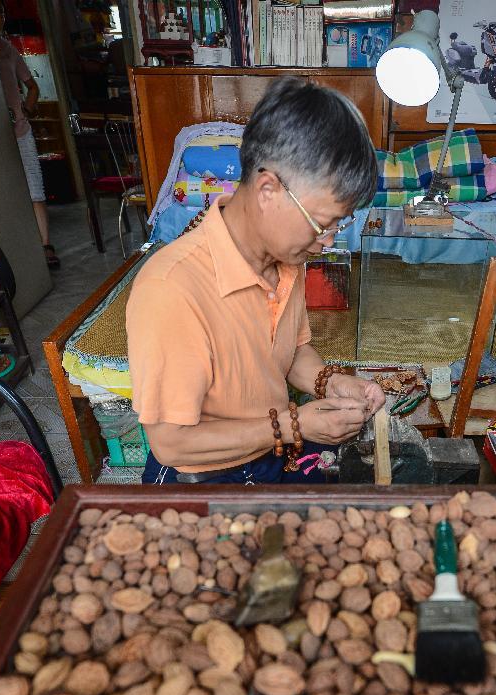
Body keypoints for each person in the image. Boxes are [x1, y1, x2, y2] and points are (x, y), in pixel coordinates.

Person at [127, 76, 385, 486]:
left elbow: (291, 351)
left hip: (271, 449)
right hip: (204, 475)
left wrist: (332, 383)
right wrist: (294, 425)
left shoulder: (287, 258)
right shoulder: (170, 288)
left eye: (339, 224)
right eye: (323, 223)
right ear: (268, 190)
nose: (328, 240)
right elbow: (172, 444)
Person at [0, 0, 59, 268]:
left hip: (19, 130)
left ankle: (45, 244)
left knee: (34, 187)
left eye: (0, 11)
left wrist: (25, 110)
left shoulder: (8, 50)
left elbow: (32, 87)